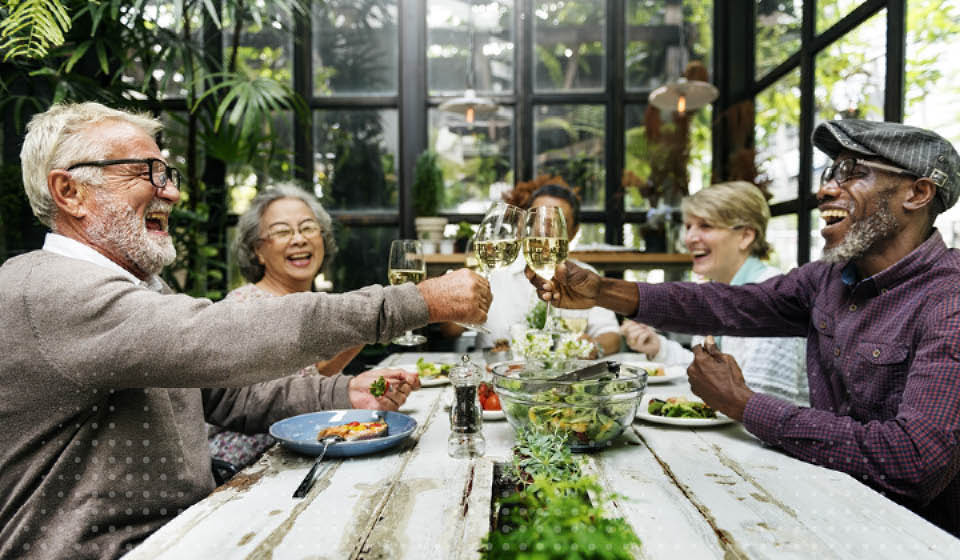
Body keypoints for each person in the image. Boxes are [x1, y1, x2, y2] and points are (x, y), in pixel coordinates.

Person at [0, 101, 491, 560]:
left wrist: (345, 393)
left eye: (167, 173)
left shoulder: (139, 286)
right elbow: (220, 337)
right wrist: (416, 301)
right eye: (144, 172)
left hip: (188, 532)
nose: (170, 191)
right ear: (70, 192)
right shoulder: (48, 289)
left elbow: (228, 397)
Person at [527, 119, 960, 535]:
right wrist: (601, 291)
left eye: (853, 173)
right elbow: (728, 303)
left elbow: (914, 459)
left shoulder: (949, 300)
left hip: (908, 535)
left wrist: (743, 403)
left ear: (918, 193)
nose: (826, 189)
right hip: (826, 501)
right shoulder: (828, 279)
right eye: (831, 173)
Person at [208, 183, 378, 470]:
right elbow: (262, 402)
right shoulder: (245, 307)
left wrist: (367, 326)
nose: (299, 239)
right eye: (282, 231)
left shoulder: (314, 303)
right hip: (249, 468)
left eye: (308, 228)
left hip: (305, 453)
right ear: (258, 250)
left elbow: (309, 379)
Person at [621, 181, 808, 404]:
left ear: (746, 236)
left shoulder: (771, 298)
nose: (689, 238)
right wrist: (658, 347)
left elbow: (762, 404)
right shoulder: (719, 291)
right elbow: (708, 374)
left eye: (706, 226)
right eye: (688, 226)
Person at [458, 184, 621, 356]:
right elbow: (451, 329)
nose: (545, 230)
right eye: (538, 220)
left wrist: (593, 347)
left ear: (573, 232)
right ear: (523, 224)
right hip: (493, 368)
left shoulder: (585, 277)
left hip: (561, 371)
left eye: (557, 222)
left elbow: (612, 336)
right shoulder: (497, 269)